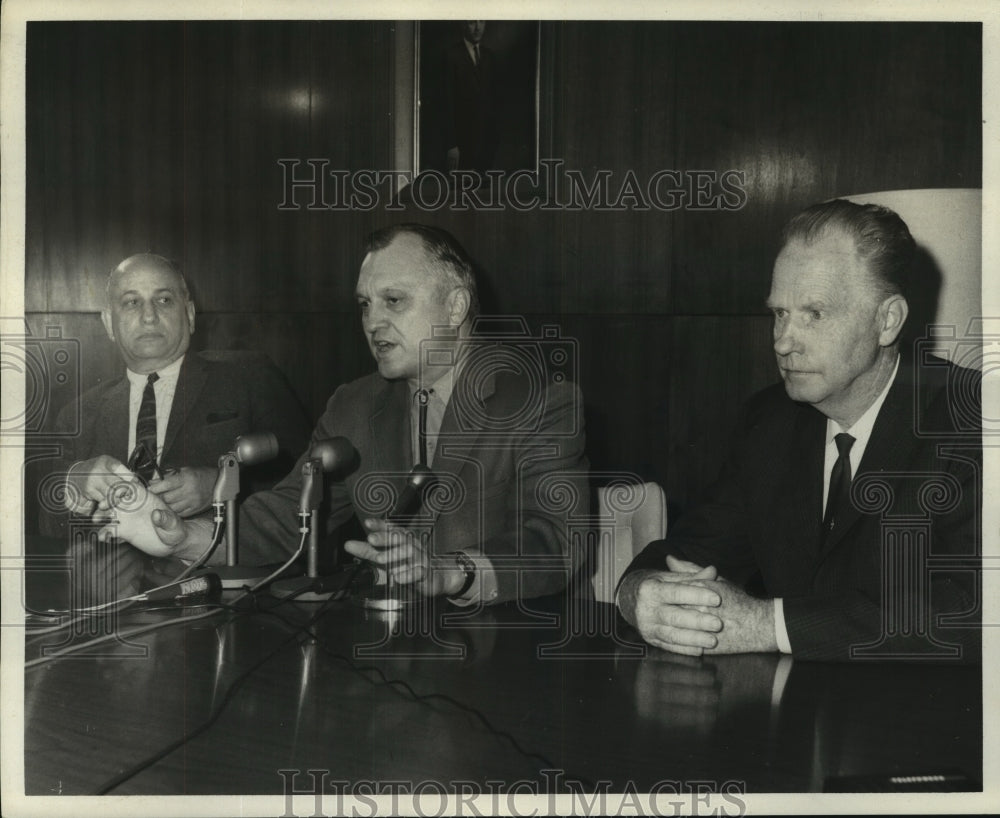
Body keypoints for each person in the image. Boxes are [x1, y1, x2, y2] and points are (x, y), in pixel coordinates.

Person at [110, 225, 589, 605]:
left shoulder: (541, 401)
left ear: (457, 304)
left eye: (393, 301)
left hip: (501, 656)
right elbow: (285, 517)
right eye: (364, 305)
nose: (372, 322)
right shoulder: (354, 405)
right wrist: (181, 537)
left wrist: (448, 573)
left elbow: (558, 545)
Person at [617, 199, 981, 662]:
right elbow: (688, 551)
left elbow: (975, 609)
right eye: (779, 313)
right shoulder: (768, 422)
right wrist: (639, 593)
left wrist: (769, 625)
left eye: (815, 314)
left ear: (886, 321)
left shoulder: (971, 418)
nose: (784, 342)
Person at [46, 253, 311, 600]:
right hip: (118, 599)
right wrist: (75, 482)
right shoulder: (79, 413)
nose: (149, 315)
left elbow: (306, 478)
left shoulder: (249, 378)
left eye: (164, 299)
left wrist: (221, 486)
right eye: (131, 302)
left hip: (227, 593)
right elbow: (43, 522)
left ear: (188, 313)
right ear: (109, 323)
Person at [443, 20, 499, 174]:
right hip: (460, 147)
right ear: (463, 25)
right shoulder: (451, 55)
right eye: (472, 23)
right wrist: (451, 145)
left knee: (486, 196)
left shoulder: (490, 57)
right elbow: (446, 103)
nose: (477, 27)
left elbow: (494, 104)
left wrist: (493, 143)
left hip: (486, 147)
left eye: (481, 22)